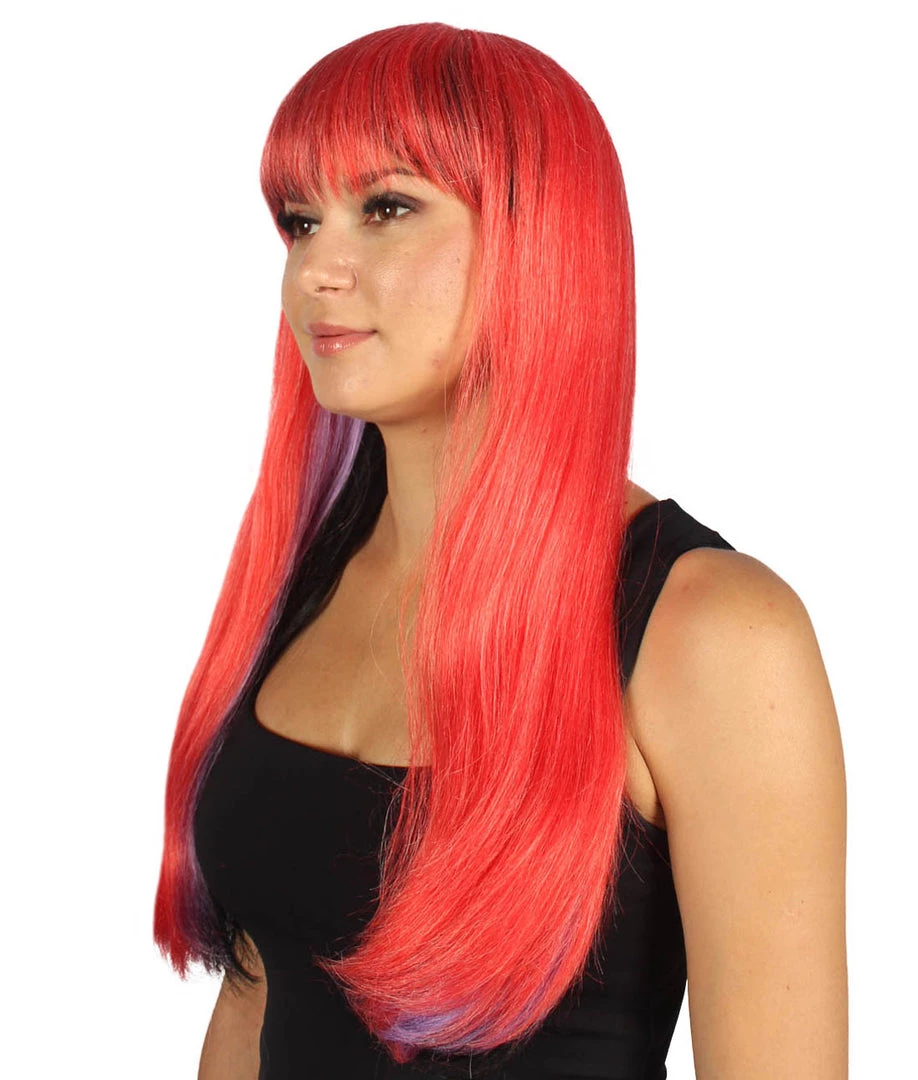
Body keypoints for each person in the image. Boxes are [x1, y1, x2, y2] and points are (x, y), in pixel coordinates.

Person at [154, 21, 848, 1080]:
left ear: (536, 239)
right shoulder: (306, 579)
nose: (313, 272)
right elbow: (258, 1001)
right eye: (299, 221)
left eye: (386, 208)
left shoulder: (711, 634)